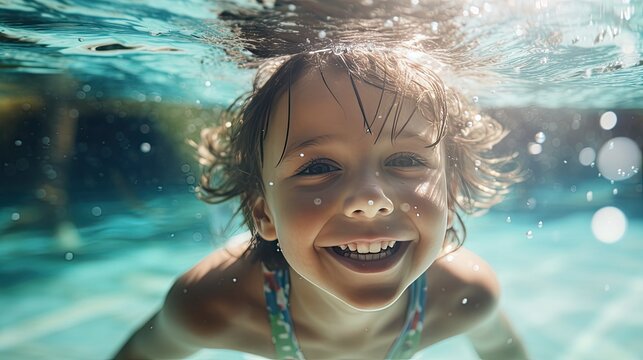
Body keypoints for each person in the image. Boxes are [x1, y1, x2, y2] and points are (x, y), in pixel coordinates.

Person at [115, 46, 528, 359]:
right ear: (263, 213)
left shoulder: (466, 295)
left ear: (451, 194)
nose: (369, 201)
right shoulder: (213, 304)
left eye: (405, 161)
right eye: (318, 167)